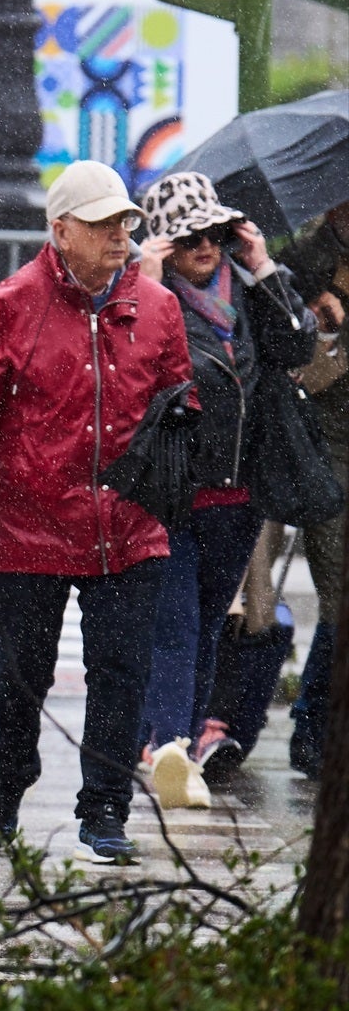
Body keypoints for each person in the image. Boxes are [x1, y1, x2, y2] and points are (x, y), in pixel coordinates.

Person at [0, 159, 192, 865]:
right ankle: (7, 789)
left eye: (125, 223)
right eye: (102, 224)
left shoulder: (158, 306)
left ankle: (105, 807)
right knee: (22, 672)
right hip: (31, 525)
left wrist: (174, 472)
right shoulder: (11, 304)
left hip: (130, 528)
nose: (119, 236)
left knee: (122, 672)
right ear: (61, 231)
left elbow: (180, 400)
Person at [131, 173, 314, 805]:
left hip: (240, 496)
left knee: (209, 624)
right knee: (176, 625)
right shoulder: (149, 297)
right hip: (173, 493)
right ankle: (168, 746)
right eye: (189, 238)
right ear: (164, 246)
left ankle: (176, 747)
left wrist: (263, 265)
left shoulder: (250, 292)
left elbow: (298, 344)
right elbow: (132, 371)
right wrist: (147, 284)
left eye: (214, 232)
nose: (206, 246)